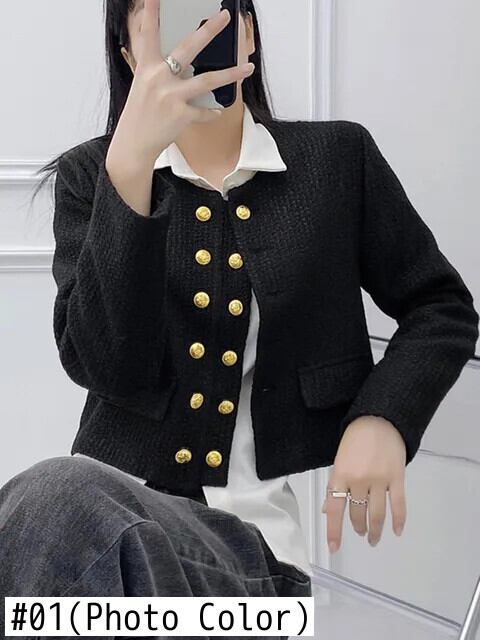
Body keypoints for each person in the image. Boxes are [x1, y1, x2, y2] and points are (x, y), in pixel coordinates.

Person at [1, 0, 478, 633]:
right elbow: (107, 366)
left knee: (49, 501)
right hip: (97, 546)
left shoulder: (336, 159)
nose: (194, 40)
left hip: (253, 566)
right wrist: (131, 170)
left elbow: (440, 306)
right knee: (53, 505)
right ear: (129, 56)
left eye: (212, 18)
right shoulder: (95, 174)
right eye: (169, 24)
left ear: (247, 33)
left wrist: (382, 416)